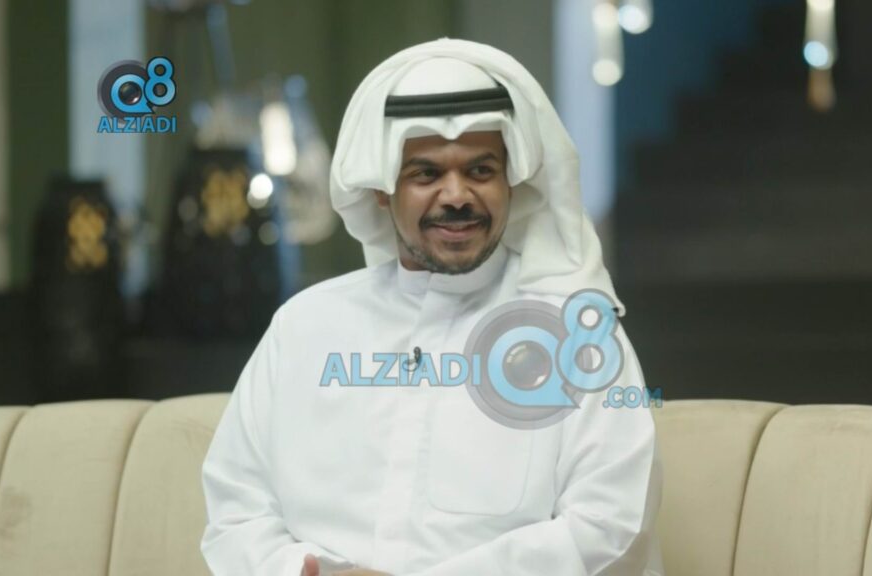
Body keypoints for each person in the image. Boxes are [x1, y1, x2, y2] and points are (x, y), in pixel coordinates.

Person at [201, 38, 663, 576]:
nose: (456, 195)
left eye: (481, 171)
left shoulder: (577, 337)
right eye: (426, 174)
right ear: (381, 189)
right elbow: (235, 509)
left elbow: (613, 526)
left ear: (512, 182)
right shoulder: (305, 327)